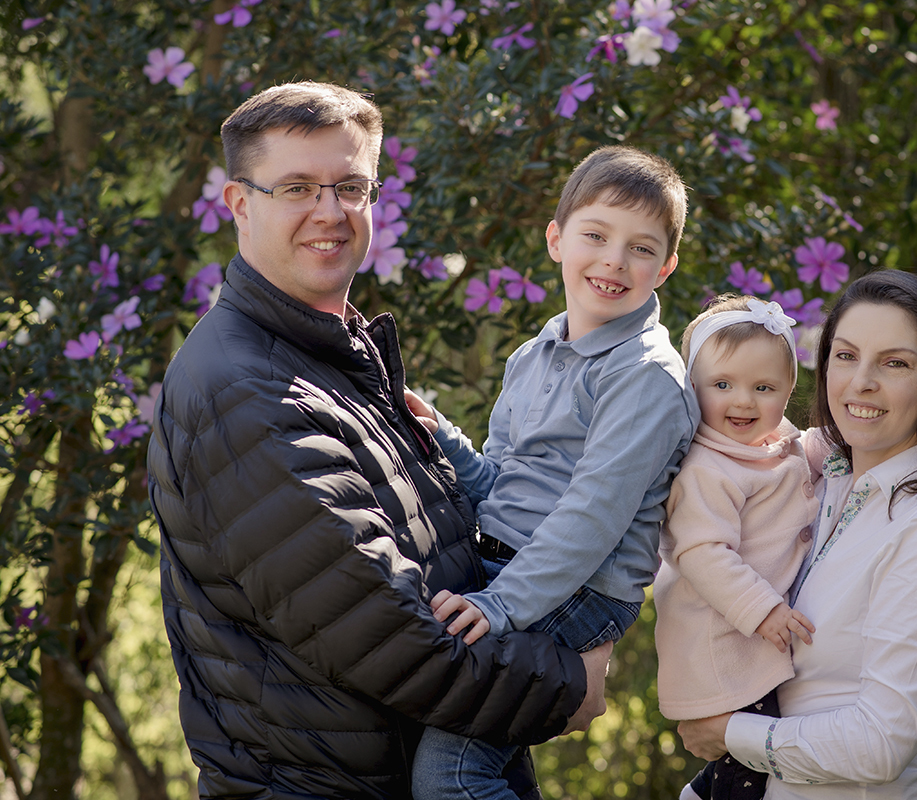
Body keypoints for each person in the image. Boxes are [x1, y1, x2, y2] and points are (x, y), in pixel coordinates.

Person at [146, 81, 611, 800]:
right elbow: (391, 643)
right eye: (298, 187)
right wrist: (565, 681)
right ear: (240, 203)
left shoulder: (330, 360)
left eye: (351, 186)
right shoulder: (246, 393)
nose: (330, 212)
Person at [402, 145, 700, 800]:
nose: (615, 260)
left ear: (667, 267)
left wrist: (501, 605)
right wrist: (444, 441)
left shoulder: (645, 376)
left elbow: (591, 518)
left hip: (579, 590)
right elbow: (499, 488)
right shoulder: (532, 355)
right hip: (511, 569)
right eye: (596, 235)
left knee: (451, 775)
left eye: (641, 248)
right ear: (556, 239)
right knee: (484, 760)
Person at [677, 270, 917, 798]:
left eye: (895, 363)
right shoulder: (824, 478)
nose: (861, 381)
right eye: (845, 356)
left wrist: (731, 732)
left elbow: (882, 743)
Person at [654, 294, 826, 800]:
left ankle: (704, 791)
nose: (744, 401)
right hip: (722, 643)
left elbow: (809, 447)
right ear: (693, 388)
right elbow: (702, 553)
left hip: (749, 645)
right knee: (750, 764)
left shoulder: (773, 443)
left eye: (764, 387)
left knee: (751, 755)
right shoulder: (707, 469)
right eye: (722, 385)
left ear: (788, 391)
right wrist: (763, 608)